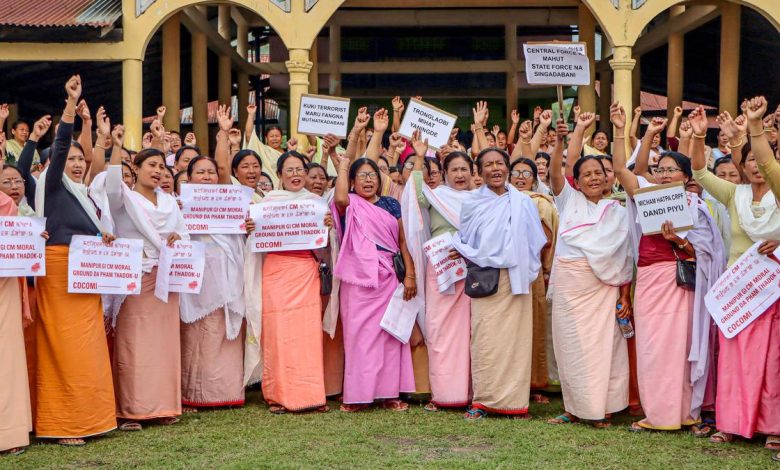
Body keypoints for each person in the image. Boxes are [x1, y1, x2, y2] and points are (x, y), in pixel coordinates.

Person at [612, 104, 726, 435]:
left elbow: (708, 251)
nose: (664, 174)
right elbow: (622, 169)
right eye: (659, 169)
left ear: (686, 178)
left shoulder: (695, 206)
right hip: (649, 280)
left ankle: (686, 413)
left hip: (681, 284)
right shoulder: (647, 194)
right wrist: (640, 133)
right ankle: (658, 413)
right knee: (652, 348)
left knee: (680, 349)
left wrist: (680, 242)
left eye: (672, 170)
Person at [691, 98, 780, 450]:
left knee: (771, 361)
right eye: (749, 162)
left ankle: (772, 426)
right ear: (740, 167)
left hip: (770, 291)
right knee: (733, 362)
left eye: (762, 161)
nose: (757, 166)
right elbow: (699, 172)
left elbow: (771, 163)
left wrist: (755, 127)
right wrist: (699, 138)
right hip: (736, 292)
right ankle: (731, 423)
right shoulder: (734, 194)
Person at [33, 75, 116, 445]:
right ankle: (63, 423)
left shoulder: (84, 196)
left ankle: (93, 417)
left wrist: (104, 238)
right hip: (58, 269)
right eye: (71, 160)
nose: (78, 164)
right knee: (63, 347)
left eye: (83, 160)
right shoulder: (50, 186)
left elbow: (88, 228)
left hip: (86, 270)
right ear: (55, 164)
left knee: (90, 347)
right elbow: (63, 142)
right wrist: (71, 105)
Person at [545, 113, 633, 428]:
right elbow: (557, 170)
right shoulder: (569, 201)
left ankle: (603, 409)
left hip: (606, 288)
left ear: (609, 178)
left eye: (599, 173)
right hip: (572, 283)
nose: (594, 178)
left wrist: (625, 295)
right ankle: (575, 407)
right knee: (571, 348)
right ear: (578, 181)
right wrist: (570, 135)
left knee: (605, 347)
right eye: (587, 174)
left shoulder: (619, 211)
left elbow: (624, 260)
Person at [452, 147, 546, 420]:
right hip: (487, 279)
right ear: (478, 172)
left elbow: (536, 240)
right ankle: (483, 400)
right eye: (488, 164)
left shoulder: (523, 202)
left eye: (500, 163)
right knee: (486, 339)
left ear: (508, 168)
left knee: (516, 342)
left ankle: (515, 402)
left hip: (517, 278)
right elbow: (467, 240)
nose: (495, 168)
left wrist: (521, 261)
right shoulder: (472, 203)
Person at [105, 145, 188, 431]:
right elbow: (112, 183)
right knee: (134, 343)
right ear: (136, 169)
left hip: (166, 278)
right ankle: (131, 410)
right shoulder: (123, 199)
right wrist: (114, 146)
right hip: (135, 276)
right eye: (150, 165)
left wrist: (179, 237)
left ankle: (163, 406)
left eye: (161, 167)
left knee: (164, 343)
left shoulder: (169, 202)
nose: (157, 171)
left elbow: (184, 234)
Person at [180, 106, 253, 412]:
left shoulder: (229, 200)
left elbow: (225, 170)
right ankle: (195, 393)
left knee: (225, 331)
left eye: (211, 172)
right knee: (199, 334)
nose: (207, 177)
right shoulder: (178, 203)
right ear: (188, 177)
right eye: (201, 172)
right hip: (198, 276)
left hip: (229, 272)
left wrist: (247, 227)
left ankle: (228, 391)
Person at [245, 150, 330, 413]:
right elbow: (255, 242)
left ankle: (311, 394)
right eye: (289, 170)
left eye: (300, 170)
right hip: (276, 270)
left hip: (305, 270)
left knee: (307, 334)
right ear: (279, 175)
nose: (295, 175)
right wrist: (251, 229)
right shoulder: (267, 203)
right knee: (278, 333)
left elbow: (325, 248)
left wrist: (328, 227)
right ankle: (278, 395)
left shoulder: (316, 203)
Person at [332, 154, 416, 412]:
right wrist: (344, 165)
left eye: (372, 175)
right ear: (352, 181)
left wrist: (410, 274)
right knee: (359, 338)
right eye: (361, 176)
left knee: (389, 335)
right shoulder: (351, 204)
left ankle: (389, 394)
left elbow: (403, 242)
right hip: (358, 279)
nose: (368, 181)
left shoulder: (391, 204)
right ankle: (358, 396)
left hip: (388, 275)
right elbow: (340, 198)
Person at [402, 131, 473, 411]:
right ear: (443, 172)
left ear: (472, 172)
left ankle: (470, 393)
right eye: (453, 169)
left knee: (470, 333)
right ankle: (444, 394)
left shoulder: (480, 199)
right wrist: (419, 157)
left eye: (464, 169)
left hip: (471, 269)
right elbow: (414, 196)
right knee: (440, 330)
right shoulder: (437, 196)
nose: (459, 174)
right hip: (441, 268)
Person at [508, 157, 559, 402]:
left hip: (531, 271)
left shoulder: (540, 203)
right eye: (515, 172)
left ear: (535, 178)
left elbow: (545, 240)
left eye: (526, 173)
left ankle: (534, 385)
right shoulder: (499, 201)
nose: (520, 177)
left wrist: (546, 268)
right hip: (504, 270)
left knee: (533, 327)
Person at [0, 158, 33, 456]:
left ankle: (7, 432)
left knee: (7, 355)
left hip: (4, 283)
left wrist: (33, 240)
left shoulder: (5, 204)